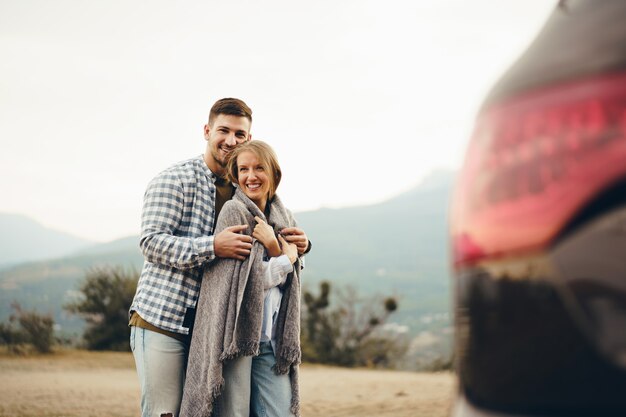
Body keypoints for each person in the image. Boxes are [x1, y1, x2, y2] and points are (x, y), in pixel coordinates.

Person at [129, 98, 310, 417]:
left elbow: (272, 244)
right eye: (223, 130)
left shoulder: (245, 185)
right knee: (164, 412)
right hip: (165, 318)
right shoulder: (175, 179)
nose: (231, 140)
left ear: (249, 139)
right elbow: (151, 242)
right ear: (207, 131)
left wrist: (298, 246)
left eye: (240, 134)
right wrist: (213, 246)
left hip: (214, 323)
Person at [180, 141, 303, 417]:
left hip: (272, 340)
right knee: (234, 413)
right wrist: (285, 258)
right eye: (243, 169)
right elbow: (245, 285)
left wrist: (274, 248)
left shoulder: (285, 218)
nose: (251, 176)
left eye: (259, 168)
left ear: (274, 174)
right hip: (237, 338)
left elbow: (286, 285)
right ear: (235, 175)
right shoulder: (234, 212)